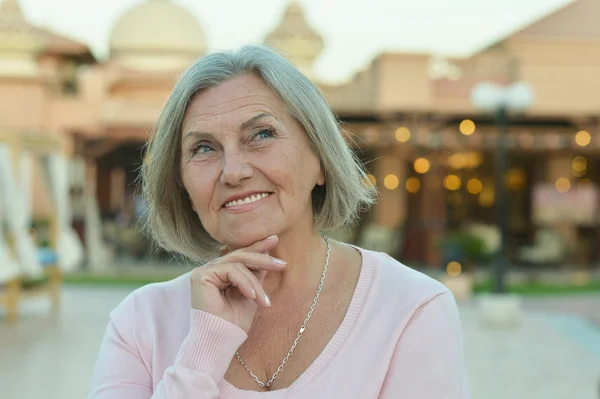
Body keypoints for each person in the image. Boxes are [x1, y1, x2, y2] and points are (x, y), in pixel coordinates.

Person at [89, 45, 470, 398]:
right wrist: (203, 351)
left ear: (320, 158)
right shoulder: (140, 323)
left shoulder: (410, 308)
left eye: (261, 135)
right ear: (182, 185)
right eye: (203, 148)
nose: (233, 172)